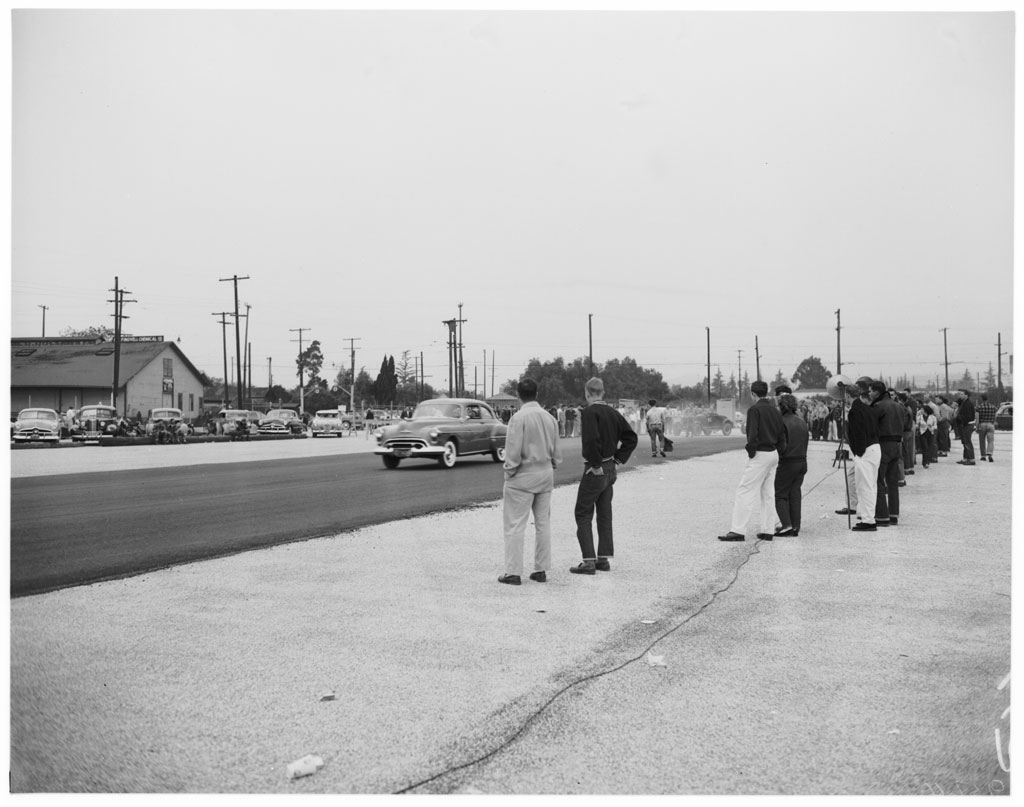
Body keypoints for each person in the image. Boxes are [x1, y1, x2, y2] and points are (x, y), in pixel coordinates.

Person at [498, 378, 562, 586]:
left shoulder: (518, 418)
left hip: (523, 476)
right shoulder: (550, 418)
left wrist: (509, 473)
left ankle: (513, 572)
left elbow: (513, 452)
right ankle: (541, 569)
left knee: (515, 524)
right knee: (543, 524)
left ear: (518, 395)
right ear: (537, 394)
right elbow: (557, 454)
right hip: (545, 474)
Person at [570, 377, 638, 575]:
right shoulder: (613, 412)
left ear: (587, 393)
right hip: (610, 466)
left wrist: (595, 464)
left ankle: (588, 560)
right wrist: (618, 459)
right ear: (603, 392)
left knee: (582, 512)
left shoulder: (590, 412)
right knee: (604, 513)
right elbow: (630, 437)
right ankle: (603, 557)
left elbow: (591, 441)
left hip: (596, 468)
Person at [718, 380, 786, 542]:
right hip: (773, 453)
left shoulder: (755, 410)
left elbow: (752, 434)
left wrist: (751, 451)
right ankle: (768, 529)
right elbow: (782, 434)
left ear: (753, 394)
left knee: (745, 491)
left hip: (761, 453)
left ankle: (738, 530)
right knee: (768, 493)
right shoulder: (775, 410)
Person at [846, 379, 881, 531]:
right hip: (875, 448)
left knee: (864, 486)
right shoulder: (867, 408)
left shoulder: (855, 411)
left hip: (865, 450)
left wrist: (857, 453)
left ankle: (868, 521)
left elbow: (858, 434)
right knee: (871, 485)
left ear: (847, 396)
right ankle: (867, 516)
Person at [870, 381, 904, 527]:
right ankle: (893, 514)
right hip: (897, 445)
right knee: (892, 482)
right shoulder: (899, 406)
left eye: (871, 391)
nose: (869, 394)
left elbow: (873, 427)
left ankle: (882, 516)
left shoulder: (878, 407)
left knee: (878, 480)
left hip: (883, 444)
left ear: (878, 392)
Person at [774, 393, 808, 537]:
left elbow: (781, 444)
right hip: (802, 460)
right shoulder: (801, 421)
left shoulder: (781, 421)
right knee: (795, 493)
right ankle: (795, 525)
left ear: (781, 406)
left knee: (780, 494)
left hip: (788, 461)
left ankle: (786, 525)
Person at [954, 389, 977, 466]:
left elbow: (969, 416)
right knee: (965, 442)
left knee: (967, 442)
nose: (960, 396)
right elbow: (957, 402)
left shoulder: (968, 404)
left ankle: (971, 459)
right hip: (964, 424)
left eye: (961, 394)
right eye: (959, 394)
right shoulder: (963, 402)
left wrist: (960, 418)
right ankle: (966, 458)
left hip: (967, 425)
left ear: (966, 395)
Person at [975, 393, 997, 462]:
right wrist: (993, 422)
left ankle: (983, 456)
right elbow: (996, 415)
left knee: (982, 441)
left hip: (982, 425)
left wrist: (976, 426)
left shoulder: (978, 407)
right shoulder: (993, 407)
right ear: (988, 399)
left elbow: (977, 418)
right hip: (990, 424)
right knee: (990, 440)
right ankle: (990, 454)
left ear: (982, 399)